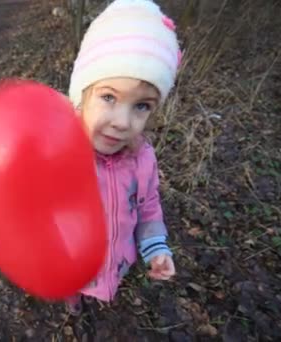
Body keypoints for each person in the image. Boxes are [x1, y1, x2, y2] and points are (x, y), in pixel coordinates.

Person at [64, 0, 182, 315]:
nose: (122, 121)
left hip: (119, 257)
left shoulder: (142, 158)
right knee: (72, 282)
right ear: (82, 96)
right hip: (72, 260)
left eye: (141, 106)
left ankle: (105, 283)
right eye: (108, 97)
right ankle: (73, 295)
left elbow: (148, 206)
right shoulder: (61, 155)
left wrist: (156, 247)